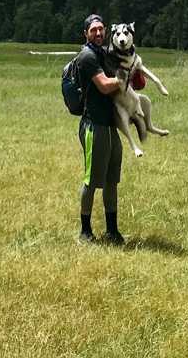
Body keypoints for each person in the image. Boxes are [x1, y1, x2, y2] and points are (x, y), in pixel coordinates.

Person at [75, 13, 125, 245]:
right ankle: (85, 231)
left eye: (101, 29)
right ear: (86, 34)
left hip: (109, 125)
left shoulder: (104, 54)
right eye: (93, 30)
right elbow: (105, 86)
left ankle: (112, 230)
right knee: (92, 180)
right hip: (93, 125)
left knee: (111, 180)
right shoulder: (86, 57)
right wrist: (125, 79)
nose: (98, 33)